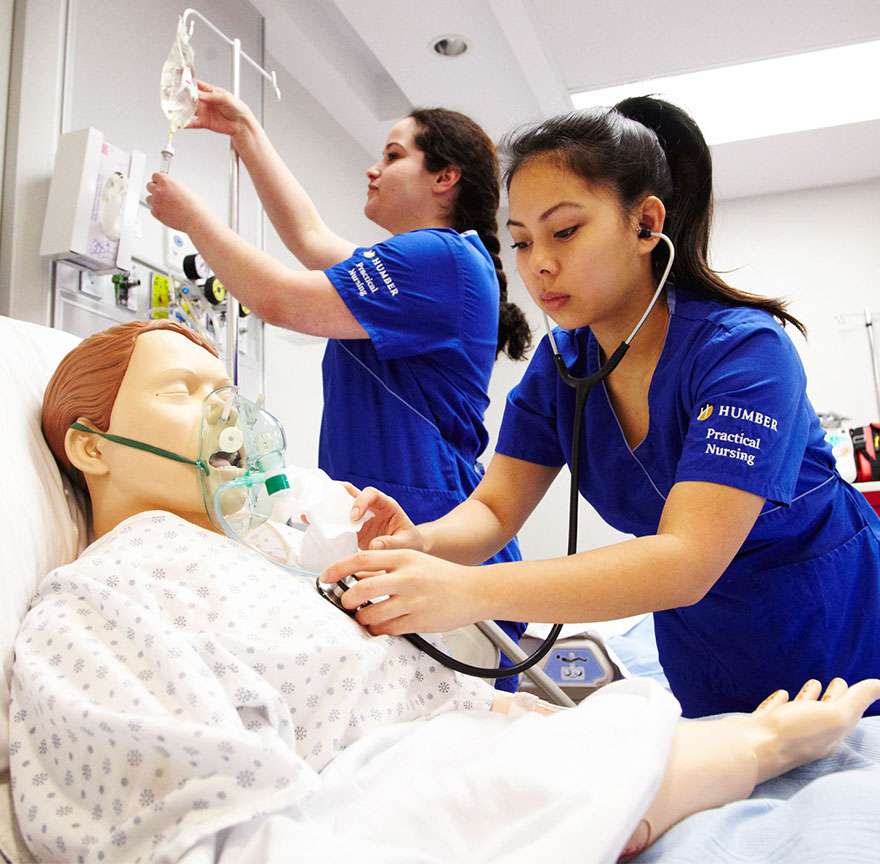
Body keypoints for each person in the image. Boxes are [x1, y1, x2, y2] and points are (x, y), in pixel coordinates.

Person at [13, 318, 880, 863]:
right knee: (747, 737)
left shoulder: (268, 564)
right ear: (91, 449)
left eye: (228, 392)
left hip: (787, 598)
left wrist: (401, 562)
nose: (227, 417)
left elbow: (683, 554)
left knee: (725, 725)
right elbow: (212, 840)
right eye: (181, 393)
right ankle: (756, 748)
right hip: (454, 779)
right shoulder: (102, 602)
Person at [321, 96, 880, 720]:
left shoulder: (746, 352)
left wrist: (469, 591)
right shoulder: (563, 366)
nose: (540, 264)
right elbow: (496, 507)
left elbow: (686, 557)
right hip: (704, 648)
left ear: (645, 225)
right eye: (523, 241)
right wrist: (422, 541)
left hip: (830, 624)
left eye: (564, 231)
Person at [145, 83, 532, 688]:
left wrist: (191, 218)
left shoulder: (440, 259)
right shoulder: (435, 264)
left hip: (432, 541)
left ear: (445, 177)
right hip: (400, 539)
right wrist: (244, 130)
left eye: (395, 155)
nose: (374, 169)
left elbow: (277, 298)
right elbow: (308, 238)